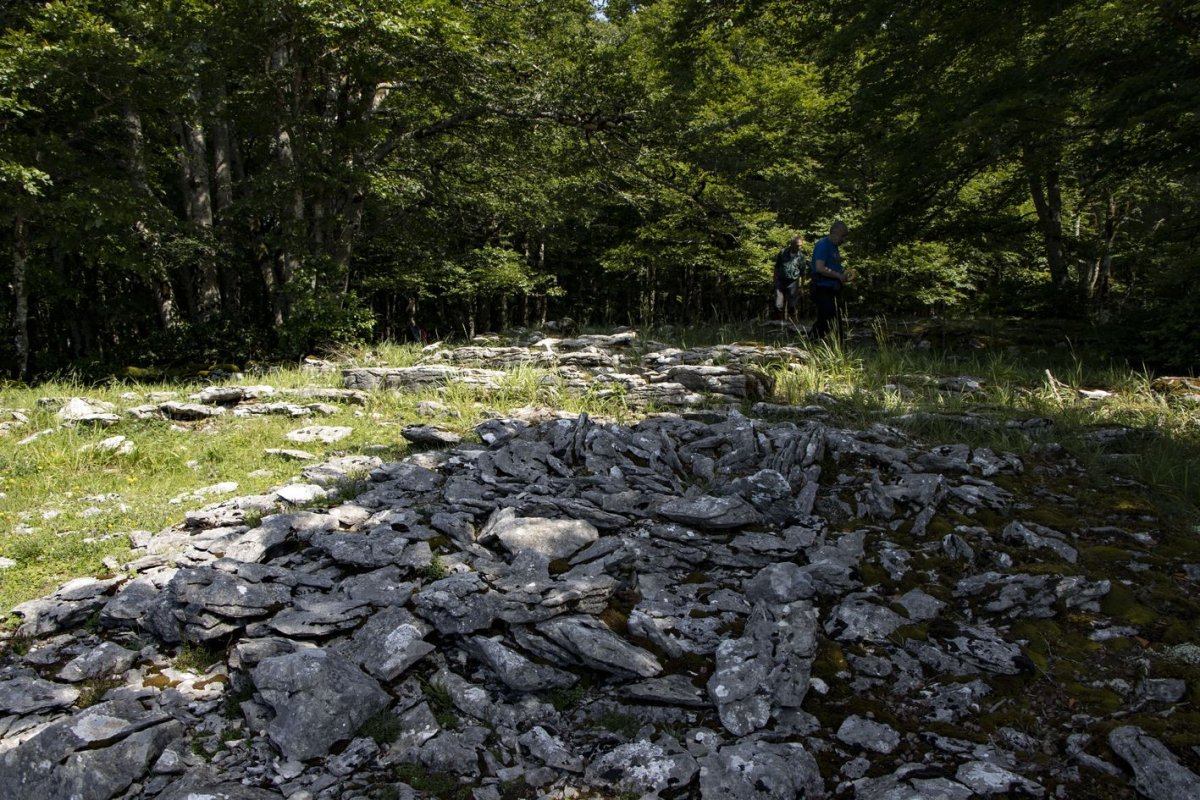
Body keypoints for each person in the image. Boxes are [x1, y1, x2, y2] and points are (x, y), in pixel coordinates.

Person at [809, 220, 850, 342]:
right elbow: (820, 268)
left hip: (833, 288)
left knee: (835, 316)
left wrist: (844, 275)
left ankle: (839, 342)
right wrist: (838, 275)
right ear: (835, 233)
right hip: (822, 287)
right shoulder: (823, 244)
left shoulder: (834, 247)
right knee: (827, 316)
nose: (844, 239)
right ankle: (814, 338)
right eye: (843, 236)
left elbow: (833, 267)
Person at [772, 235, 806, 321]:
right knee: (778, 304)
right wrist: (775, 281)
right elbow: (776, 267)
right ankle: (778, 323)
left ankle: (793, 324)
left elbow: (803, 273)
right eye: (798, 245)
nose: (800, 247)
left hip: (793, 282)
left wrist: (802, 287)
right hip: (781, 281)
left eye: (801, 245)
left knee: (792, 305)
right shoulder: (783, 252)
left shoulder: (801, 256)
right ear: (792, 244)